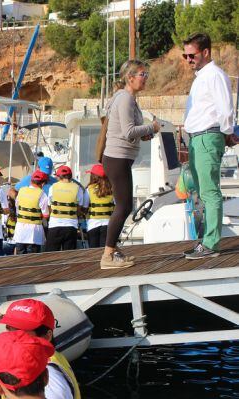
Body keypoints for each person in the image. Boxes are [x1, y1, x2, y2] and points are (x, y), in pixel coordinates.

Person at [101, 59, 160, 269]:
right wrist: (151, 127)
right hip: (117, 158)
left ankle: (112, 251)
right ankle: (107, 255)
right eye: (143, 75)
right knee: (124, 206)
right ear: (130, 77)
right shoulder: (125, 99)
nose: (146, 79)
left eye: (147, 75)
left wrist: (144, 133)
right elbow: (128, 132)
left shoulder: (128, 98)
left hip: (120, 158)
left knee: (124, 205)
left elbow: (129, 131)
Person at [182, 33, 236, 259]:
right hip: (198, 138)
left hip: (207, 136)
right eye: (185, 55)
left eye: (191, 55)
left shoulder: (214, 75)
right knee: (203, 191)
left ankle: (211, 243)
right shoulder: (202, 76)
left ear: (205, 52)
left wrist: (227, 133)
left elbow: (226, 108)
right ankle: (207, 240)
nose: (188, 59)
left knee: (210, 191)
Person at [0, 299, 82, 399]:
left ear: (47, 336)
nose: (12, 337)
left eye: (21, 332)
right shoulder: (33, 363)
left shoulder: (48, 370)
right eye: (9, 329)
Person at [45, 165, 88, 252]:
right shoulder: (78, 188)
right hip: (71, 226)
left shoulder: (52, 187)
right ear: (71, 176)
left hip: (54, 225)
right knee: (68, 256)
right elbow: (79, 209)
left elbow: (49, 206)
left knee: (50, 256)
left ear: (58, 176)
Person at [12, 170, 49, 254]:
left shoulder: (21, 191)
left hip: (20, 229)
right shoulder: (42, 194)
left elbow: (17, 208)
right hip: (34, 231)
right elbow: (46, 215)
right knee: (32, 257)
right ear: (42, 183)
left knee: (20, 256)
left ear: (31, 181)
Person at [86, 164, 114, 249]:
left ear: (93, 176)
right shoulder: (112, 189)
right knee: (105, 250)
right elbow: (116, 206)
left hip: (93, 224)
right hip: (108, 224)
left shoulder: (89, 190)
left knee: (94, 251)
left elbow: (85, 205)